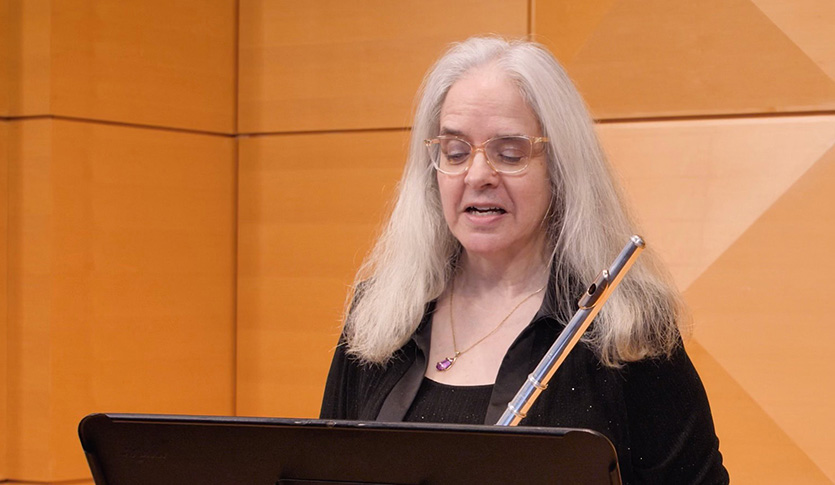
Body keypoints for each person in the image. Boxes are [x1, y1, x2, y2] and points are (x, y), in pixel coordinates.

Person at [320, 36, 729, 484]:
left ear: (559, 166)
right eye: (455, 153)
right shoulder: (379, 317)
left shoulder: (626, 326)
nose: (478, 175)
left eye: (509, 154)